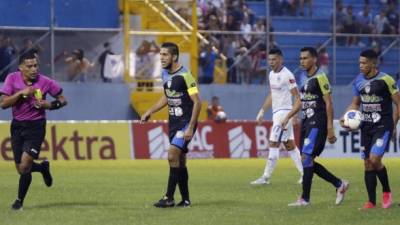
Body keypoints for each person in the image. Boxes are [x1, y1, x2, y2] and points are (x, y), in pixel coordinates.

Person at [0, 51, 67, 210]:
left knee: (24, 167)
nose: (34, 69)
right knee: (20, 168)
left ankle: (19, 202)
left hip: (36, 126)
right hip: (17, 126)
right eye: (29, 66)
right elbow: (3, 104)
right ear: (21, 67)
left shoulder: (45, 82)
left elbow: (63, 100)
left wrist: (49, 105)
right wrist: (20, 93)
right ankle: (43, 168)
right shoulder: (12, 78)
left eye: (35, 65)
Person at [282, 47, 349, 206]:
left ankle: (305, 199)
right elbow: (301, 101)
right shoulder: (303, 78)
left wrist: (330, 127)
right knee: (307, 160)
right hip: (306, 123)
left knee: (306, 158)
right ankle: (339, 184)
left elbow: (329, 102)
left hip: (317, 123)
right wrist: (289, 116)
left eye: (305, 58)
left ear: (314, 59)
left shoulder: (321, 77)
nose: (302, 61)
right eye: (300, 58)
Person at [141, 42, 201, 208]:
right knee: (180, 160)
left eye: (165, 54)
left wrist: (190, 127)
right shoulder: (165, 74)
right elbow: (167, 97)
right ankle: (186, 200)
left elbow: (197, 103)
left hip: (185, 124)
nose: (161, 57)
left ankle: (169, 197)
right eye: (160, 54)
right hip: (173, 124)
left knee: (172, 155)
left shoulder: (186, 76)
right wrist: (150, 111)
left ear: (174, 56)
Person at [340, 49, 399, 209]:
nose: (360, 65)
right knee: (367, 163)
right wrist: (345, 116)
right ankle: (371, 202)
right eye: (359, 62)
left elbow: (398, 104)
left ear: (373, 63)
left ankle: (386, 192)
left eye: (364, 63)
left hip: (383, 125)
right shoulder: (358, 81)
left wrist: (394, 125)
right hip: (366, 126)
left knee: (374, 159)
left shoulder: (386, 80)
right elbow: (355, 103)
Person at [250, 48, 303, 185]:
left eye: (274, 59)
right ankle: (305, 173)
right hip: (276, 113)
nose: (271, 62)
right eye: (269, 59)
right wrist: (262, 110)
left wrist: (295, 115)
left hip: (285, 113)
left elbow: (297, 96)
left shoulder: (288, 75)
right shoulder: (271, 75)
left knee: (274, 142)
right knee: (289, 144)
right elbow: (272, 94)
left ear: (281, 59)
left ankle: (265, 177)